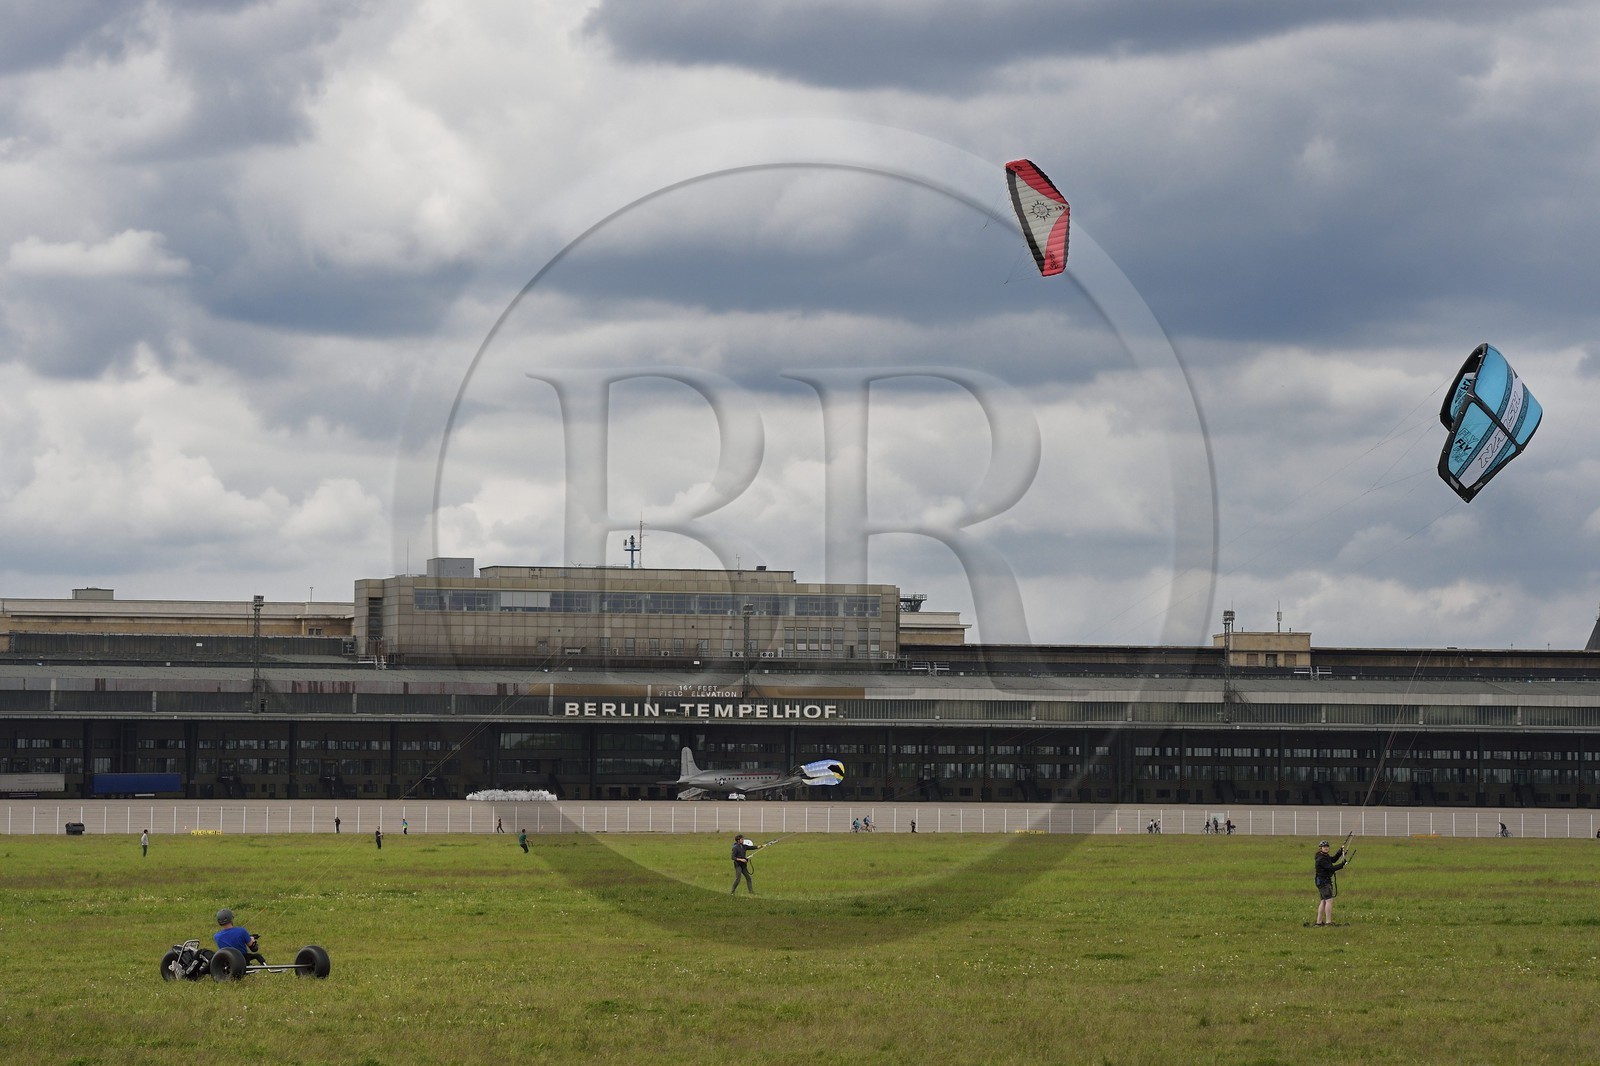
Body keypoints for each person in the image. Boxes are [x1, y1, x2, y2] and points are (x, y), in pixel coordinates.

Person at [1313, 840, 1349, 926]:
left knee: (1323, 901)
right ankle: (1328, 922)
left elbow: (1333, 859)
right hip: (1323, 882)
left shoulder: (1325, 856)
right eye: (1324, 847)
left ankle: (1319, 922)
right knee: (1329, 900)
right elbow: (1330, 868)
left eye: (1327, 847)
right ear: (1320, 848)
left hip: (1323, 881)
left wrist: (1340, 852)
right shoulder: (1321, 859)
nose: (1326, 848)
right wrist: (1342, 865)